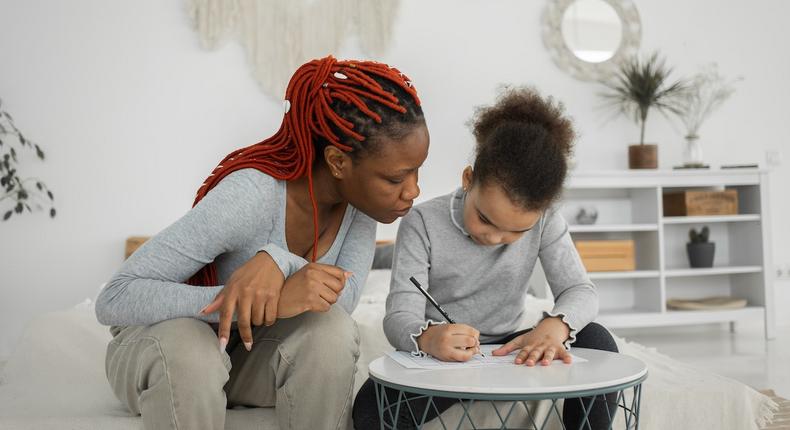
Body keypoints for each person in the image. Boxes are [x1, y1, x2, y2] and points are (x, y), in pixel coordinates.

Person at [95, 55, 429, 430]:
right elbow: (116, 298)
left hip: (242, 356)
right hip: (163, 348)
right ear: (337, 161)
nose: (413, 191)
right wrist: (255, 303)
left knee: (330, 332)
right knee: (191, 350)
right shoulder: (251, 196)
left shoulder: (362, 207)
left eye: (417, 171)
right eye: (396, 178)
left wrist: (278, 262)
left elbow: (343, 300)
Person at [352, 87, 618, 429]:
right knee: (371, 409)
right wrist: (427, 338)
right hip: (446, 357)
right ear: (468, 180)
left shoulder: (547, 221)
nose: (493, 238)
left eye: (515, 233)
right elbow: (400, 314)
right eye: (486, 219)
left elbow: (581, 291)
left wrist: (557, 325)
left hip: (512, 351)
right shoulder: (421, 222)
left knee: (597, 339)